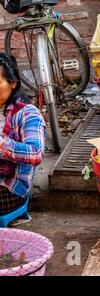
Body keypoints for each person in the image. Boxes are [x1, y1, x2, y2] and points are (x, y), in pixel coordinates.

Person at [0, 52, 46, 216]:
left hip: (9, 188)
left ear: (12, 83)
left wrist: (1, 144)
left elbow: (35, 154)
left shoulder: (28, 113)